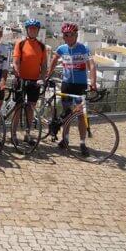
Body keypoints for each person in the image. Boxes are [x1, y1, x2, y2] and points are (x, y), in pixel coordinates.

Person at [46, 22, 97, 156]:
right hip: (66, 85)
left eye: (70, 35)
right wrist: (48, 75)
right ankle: (65, 139)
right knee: (67, 113)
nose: (67, 38)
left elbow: (92, 65)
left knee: (81, 115)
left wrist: (93, 82)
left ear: (76, 35)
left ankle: (82, 143)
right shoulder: (62, 48)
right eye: (65, 35)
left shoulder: (84, 48)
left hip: (80, 86)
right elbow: (54, 60)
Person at [11, 18, 47, 145]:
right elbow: (15, 61)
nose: (32, 31)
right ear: (27, 30)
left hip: (34, 81)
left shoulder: (42, 46)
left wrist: (42, 79)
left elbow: (44, 66)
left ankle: (27, 134)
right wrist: (17, 72)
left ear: (37, 31)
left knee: (31, 108)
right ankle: (13, 134)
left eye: (35, 29)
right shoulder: (20, 44)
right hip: (21, 79)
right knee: (18, 107)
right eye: (30, 28)